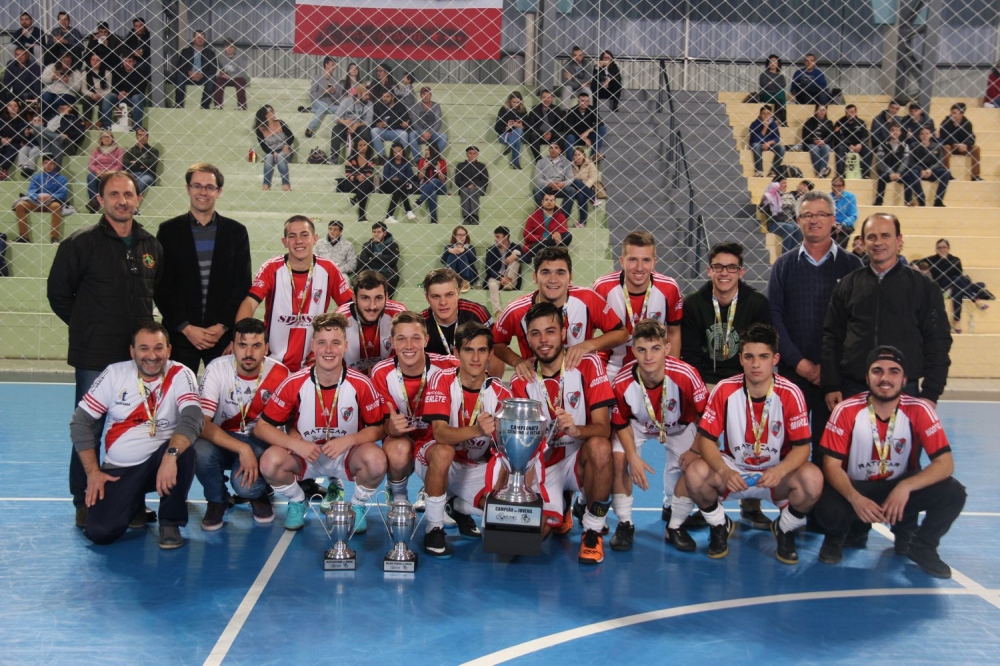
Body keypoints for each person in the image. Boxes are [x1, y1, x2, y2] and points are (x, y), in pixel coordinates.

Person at [47, 170, 161, 526]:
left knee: (137, 426)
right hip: (94, 356)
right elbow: (58, 295)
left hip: (138, 359)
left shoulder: (150, 246)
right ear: (100, 200)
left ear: (138, 199)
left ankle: (133, 502)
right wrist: (88, 327)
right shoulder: (80, 243)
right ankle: (84, 499)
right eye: (114, 194)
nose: (122, 201)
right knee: (91, 427)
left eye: (128, 194)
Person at [668, 324, 822, 563]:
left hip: (775, 472)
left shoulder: (791, 393)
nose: (756, 364)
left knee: (813, 479)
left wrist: (780, 470)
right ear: (740, 359)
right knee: (695, 472)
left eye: (763, 357)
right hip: (734, 469)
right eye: (749, 357)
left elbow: (803, 448)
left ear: (776, 359)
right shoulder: (725, 389)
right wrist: (724, 470)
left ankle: (785, 528)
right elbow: (707, 440)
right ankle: (719, 525)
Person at [815, 346, 966, 578]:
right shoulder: (846, 409)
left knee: (954, 492)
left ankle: (922, 545)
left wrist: (905, 487)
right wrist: (856, 499)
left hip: (898, 489)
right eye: (877, 371)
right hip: (858, 487)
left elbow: (945, 463)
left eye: (893, 371)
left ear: (905, 379)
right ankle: (837, 536)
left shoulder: (920, 409)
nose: (885, 378)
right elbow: (831, 466)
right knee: (825, 503)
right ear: (867, 377)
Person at [70, 322, 202, 548]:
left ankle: (170, 522)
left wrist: (170, 456)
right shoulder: (115, 373)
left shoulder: (181, 373)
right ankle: (134, 504)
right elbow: (80, 422)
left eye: (159, 348)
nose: (152, 355)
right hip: (119, 469)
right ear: (132, 352)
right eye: (144, 348)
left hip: (161, 463)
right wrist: (93, 472)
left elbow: (193, 417)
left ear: (168, 350)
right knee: (100, 532)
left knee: (185, 451)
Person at [255, 312, 389, 532]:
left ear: (345, 346)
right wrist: (294, 443)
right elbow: (262, 427)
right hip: (306, 454)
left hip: (347, 454)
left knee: (376, 460)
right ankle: (298, 500)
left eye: (335, 343)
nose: (329, 350)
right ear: (312, 346)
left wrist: (349, 440)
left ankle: (356, 506)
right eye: (322, 343)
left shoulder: (361, 383)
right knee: (270, 462)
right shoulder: (294, 382)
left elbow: (379, 428)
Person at [508, 303, 615, 563]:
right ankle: (561, 505)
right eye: (535, 333)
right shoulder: (521, 379)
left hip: (579, 458)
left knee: (601, 447)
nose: (543, 340)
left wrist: (577, 429)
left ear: (563, 332)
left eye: (550, 331)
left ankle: (592, 530)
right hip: (546, 465)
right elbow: (520, 447)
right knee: (522, 544)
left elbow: (603, 428)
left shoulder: (588, 364)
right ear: (528, 338)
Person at [680, 241, 773, 529]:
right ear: (709, 270)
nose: (724, 273)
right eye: (718, 267)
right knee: (705, 441)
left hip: (745, 382)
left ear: (741, 271)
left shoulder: (757, 304)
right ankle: (707, 499)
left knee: (750, 435)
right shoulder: (695, 303)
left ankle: (751, 500)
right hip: (706, 382)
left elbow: (762, 349)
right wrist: (706, 391)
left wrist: (737, 388)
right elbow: (692, 356)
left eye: (731, 267)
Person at [768, 190, 863, 461]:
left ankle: (828, 503)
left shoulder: (851, 265)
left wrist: (829, 367)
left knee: (830, 455)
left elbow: (856, 323)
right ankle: (789, 505)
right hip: (792, 374)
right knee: (786, 452)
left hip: (835, 377)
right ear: (797, 221)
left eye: (821, 214)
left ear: (833, 219)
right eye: (807, 215)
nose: (814, 220)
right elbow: (774, 317)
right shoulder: (783, 266)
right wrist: (799, 363)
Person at [821, 212, 952, 409]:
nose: (878, 242)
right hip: (854, 389)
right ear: (863, 242)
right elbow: (832, 338)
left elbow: (938, 342)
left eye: (885, 235)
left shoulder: (924, 288)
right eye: (871, 237)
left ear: (899, 240)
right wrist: (831, 384)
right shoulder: (847, 286)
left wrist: (931, 393)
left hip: (906, 392)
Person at [610, 319, 708, 551]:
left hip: (679, 426)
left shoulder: (686, 374)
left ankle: (674, 524)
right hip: (637, 425)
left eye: (655, 349)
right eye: (641, 350)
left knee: (694, 466)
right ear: (633, 350)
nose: (648, 357)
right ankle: (624, 523)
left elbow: (707, 417)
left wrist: (694, 449)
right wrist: (632, 456)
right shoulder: (622, 381)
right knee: (618, 459)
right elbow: (620, 422)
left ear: (667, 348)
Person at [419, 321, 512, 557]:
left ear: (491, 353)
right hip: (436, 461)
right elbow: (440, 433)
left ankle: (457, 505)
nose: (475, 358)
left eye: (482, 350)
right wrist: (478, 430)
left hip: (473, 465)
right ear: (456, 352)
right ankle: (434, 527)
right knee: (444, 452)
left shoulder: (502, 392)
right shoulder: (442, 379)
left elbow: (504, 449)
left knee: (504, 511)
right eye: (468, 350)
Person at [155, 163, 252, 374]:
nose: (203, 192)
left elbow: (242, 284)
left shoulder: (237, 232)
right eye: (197, 186)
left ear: (219, 192)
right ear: (188, 188)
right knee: (175, 401)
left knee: (225, 403)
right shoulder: (168, 231)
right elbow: (162, 287)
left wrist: (223, 327)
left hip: (222, 337)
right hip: (180, 335)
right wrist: (187, 328)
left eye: (209, 187)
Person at [194, 318, 289, 529]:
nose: (248, 353)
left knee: (245, 487)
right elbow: (203, 424)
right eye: (242, 345)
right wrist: (241, 448)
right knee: (198, 450)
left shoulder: (281, 373)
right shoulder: (217, 368)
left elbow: (290, 422)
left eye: (256, 346)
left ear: (266, 348)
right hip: (223, 438)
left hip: (260, 440)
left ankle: (258, 494)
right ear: (232, 346)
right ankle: (217, 499)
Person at [236, 216, 354, 372]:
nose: (299, 241)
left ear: (315, 239)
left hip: (313, 364)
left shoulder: (328, 269)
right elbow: (250, 303)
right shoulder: (271, 268)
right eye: (292, 236)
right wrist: (239, 339)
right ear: (284, 242)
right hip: (272, 362)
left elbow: (350, 307)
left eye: (305, 235)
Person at [493, 246, 627, 381]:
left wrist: (588, 345)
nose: (553, 279)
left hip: (583, 382)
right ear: (534, 277)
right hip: (537, 384)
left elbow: (622, 333)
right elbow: (496, 343)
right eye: (545, 272)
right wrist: (517, 361)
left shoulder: (588, 299)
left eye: (560, 273)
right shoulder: (515, 310)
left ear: (570, 277)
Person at [370, 311, 459, 510]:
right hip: (403, 438)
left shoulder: (449, 367)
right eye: (401, 339)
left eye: (416, 338)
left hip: (435, 437)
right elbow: (382, 425)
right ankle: (399, 497)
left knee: (449, 448)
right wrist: (390, 428)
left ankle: (436, 492)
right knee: (397, 450)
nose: (409, 346)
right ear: (392, 342)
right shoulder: (381, 372)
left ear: (426, 340)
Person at [592, 231, 684, 380]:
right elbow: (588, 334)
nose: (639, 267)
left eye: (646, 260)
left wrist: (672, 374)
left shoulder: (669, 288)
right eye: (633, 259)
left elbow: (674, 333)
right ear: (621, 261)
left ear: (654, 261)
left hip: (655, 369)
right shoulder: (603, 287)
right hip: (612, 368)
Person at [336, 269, 406, 376]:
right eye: (365, 298)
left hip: (389, 381)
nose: (372, 306)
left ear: (386, 297)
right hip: (352, 383)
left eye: (378, 298)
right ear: (354, 298)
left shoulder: (398, 314)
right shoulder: (341, 319)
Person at [923, 239, 993, 334]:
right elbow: (915, 263)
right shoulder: (931, 260)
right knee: (957, 281)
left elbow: (960, 275)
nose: (942, 249)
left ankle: (957, 322)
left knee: (957, 287)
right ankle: (976, 300)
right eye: (939, 247)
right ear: (936, 249)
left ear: (948, 248)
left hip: (955, 287)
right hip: (942, 288)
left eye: (944, 247)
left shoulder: (955, 260)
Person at [420, 267, 494, 358]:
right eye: (436, 296)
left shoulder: (476, 313)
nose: (443, 302)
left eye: (449, 295)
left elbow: (495, 358)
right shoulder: (420, 323)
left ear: (458, 293)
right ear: (427, 297)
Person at [14, 153, 69, 243]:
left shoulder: (62, 178)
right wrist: (38, 196)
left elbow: (63, 194)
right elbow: (30, 192)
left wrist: (50, 196)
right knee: (20, 205)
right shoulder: (37, 177)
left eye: (51, 163)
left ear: (55, 165)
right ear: (42, 164)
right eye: (46, 163)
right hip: (36, 202)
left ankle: (54, 238)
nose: (48, 166)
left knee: (56, 206)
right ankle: (24, 237)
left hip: (50, 203)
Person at [902, 127, 952, 207]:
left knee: (946, 172)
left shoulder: (937, 146)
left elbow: (940, 162)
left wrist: (931, 170)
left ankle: (938, 201)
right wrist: (921, 169)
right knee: (912, 171)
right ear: (919, 135)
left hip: (932, 172)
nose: (924, 136)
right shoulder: (913, 146)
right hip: (918, 172)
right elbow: (910, 162)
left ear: (931, 135)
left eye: (927, 133)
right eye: (922, 134)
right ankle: (921, 198)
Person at [100, 53, 148, 130]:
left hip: (133, 97)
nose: (127, 63)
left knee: (137, 97)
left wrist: (127, 94)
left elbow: (141, 89)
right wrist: (119, 93)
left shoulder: (140, 73)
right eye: (125, 61)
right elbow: (114, 86)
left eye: (130, 61)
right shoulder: (117, 71)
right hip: (119, 96)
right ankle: (107, 126)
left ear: (134, 62)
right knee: (109, 97)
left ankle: (137, 127)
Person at [172, 30, 217, 110]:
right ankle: (178, 104)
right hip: (189, 76)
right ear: (193, 39)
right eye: (198, 37)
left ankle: (204, 106)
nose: (200, 39)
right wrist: (189, 72)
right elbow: (180, 66)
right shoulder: (186, 51)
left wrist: (202, 74)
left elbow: (213, 69)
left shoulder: (210, 53)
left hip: (203, 77)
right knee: (179, 75)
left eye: (202, 38)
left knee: (212, 78)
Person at [254, 105, 294, 192]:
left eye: (272, 111)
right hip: (271, 152)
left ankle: (286, 185)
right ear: (264, 115)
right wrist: (273, 152)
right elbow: (263, 146)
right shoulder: (260, 129)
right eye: (269, 112)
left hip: (285, 150)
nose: (272, 113)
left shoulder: (280, 122)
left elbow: (291, 136)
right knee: (268, 157)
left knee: (280, 156)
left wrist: (286, 146)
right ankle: (266, 185)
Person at [485, 226, 523, 316]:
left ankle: (508, 283)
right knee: (492, 284)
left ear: (506, 237)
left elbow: (528, 259)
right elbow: (488, 268)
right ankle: (497, 311)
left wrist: (514, 257)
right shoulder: (491, 250)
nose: (495, 239)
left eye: (498, 237)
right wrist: (500, 278)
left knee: (516, 255)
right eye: (495, 237)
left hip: (511, 277)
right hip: (497, 277)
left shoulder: (515, 246)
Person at [357, 220, 401, 297]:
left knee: (393, 279)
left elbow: (393, 261)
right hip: (370, 272)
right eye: (374, 232)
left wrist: (374, 257)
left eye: (379, 232)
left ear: (384, 233)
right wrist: (383, 260)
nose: (376, 234)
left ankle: (387, 301)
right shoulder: (367, 245)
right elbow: (363, 261)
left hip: (387, 273)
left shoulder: (393, 245)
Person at [939, 103, 982, 182]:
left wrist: (965, 145)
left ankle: (975, 176)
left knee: (976, 148)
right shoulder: (946, 122)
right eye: (952, 113)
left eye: (955, 113)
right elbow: (944, 137)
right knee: (946, 147)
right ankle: (947, 174)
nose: (952, 115)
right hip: (952, 146)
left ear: (962, 114)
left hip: (963, 147)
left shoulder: (967, 123)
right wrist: (954, 144)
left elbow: (971, 137)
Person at [533, 141, 577, 219]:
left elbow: (570, 178)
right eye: (551, 148)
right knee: (536, 190)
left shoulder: (567, 162)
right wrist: (549, 184)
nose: (553, 150)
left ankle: (563, 217)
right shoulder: (541, 162)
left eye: (556, 147)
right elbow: (538, 178)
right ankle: (544, 214)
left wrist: (562, 184)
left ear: (560, 150)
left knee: (572, 190)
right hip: (547, 186)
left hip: (560, 187)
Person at [522, 192, 571, 260]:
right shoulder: (533, 216)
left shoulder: (560, 216)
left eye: (551, 200)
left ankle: (544, 248)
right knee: (537, 246)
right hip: (538, 242)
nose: (549, 202)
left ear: (555, 203)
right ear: (542, 202)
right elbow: (526, 235)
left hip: (552, 242)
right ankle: (544, 249)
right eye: (546, 200)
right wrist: (540, 238)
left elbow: (564, 229)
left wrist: (558, 232)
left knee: (568, 236)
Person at [760, 177, 802, 254]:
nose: (786, 185)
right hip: (774, 222)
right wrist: (766, 201)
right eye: (783, 183)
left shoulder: (789, 195)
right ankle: (785, 255)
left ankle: (793, 254)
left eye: (786, 183)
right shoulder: (769, 195)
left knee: (800, 230)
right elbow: (762, 210)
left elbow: (795, 211)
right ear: (776, 184)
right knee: (789, 228)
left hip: (789, 220)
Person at [304, 56, 343, 138]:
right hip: (318, 102)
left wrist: (333, 92)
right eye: (332, 65)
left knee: (340, 108)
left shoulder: (336, 80)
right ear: (326, 65)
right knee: (323, 106)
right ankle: (311, 128)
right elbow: (312, 95)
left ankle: (314, 110)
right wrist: (323, 92)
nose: (334, 67)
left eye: (335, 65)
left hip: (329, 105)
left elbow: (339, 99)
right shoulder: (317, 78)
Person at [84, 131, 124, 211]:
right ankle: (94, 203)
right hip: (98, 172)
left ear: (112, 138)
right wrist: (98, 171)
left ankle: (100, 204)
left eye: (108, 137)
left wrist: (108, 172)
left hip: (112, 172)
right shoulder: (96, 150)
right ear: (101, 139)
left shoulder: (118, 150)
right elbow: (91, 164)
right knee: (91, 177)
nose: (106, 139)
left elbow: (119, 165)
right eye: (104, 137)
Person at [339, 137, 376, 221]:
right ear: (356, 147)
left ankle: (356, 199)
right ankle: (361, 216)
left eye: (364, 145)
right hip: (351, 183)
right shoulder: (350, 158)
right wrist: (357, 177)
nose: (363, 147)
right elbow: (348, 175)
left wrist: (362, 177)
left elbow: (369, 174)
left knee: (366, 184)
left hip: (364, 183)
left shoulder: (371, 160)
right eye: (360, 145)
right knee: (365, 188)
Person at [563, 92, 606, 162]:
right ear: (578, 101)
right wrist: (583, 137)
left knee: (602, 129)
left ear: (588, 102)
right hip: (576, 136)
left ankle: (593, 156)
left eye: (586, 101)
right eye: (581, 101)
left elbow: (600, 122)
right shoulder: (572, 110)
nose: (583, 103)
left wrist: (588, 131)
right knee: (569, 137)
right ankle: (571, 161)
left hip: (588, 136)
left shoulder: (592, 109)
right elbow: (569, 128)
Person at [873, 123, 908, 206]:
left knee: (909, 176)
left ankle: (908, 201)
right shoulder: (883, 145)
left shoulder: (905, 145)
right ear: (889, 132)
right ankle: (879, 201)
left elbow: (906, 161)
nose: (895, 132)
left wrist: (899, 172)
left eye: (897, 130)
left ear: (900, 132)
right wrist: (890, 172)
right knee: (881, 177)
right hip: (887, 172)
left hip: (900, 173)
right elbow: (880, 162)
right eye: (892, 130)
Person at [381, 142, 416, 223]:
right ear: (392, 153)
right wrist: (393, 179)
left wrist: (401, 181)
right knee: (399, 184)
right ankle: (408, 211)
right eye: (395, 152)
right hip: (389, 185)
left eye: (400, 151)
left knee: (400, 185)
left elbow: (410, 178)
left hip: (402, 186)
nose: (398, 153)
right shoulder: (388, 162)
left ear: (403, 151)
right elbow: (385, 177)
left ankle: (389, 216)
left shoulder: (406, 163)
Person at [369, 88, 411, 157]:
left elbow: (407, 120)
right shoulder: (378, 106)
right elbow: (373, 121)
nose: (385, 99)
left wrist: (406, 125)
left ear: (393, 97)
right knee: (374, 131)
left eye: (387, 96)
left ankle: (402, 157)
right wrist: (377, 124)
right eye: (383, 97)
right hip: (383, 131)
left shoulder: (400, 106)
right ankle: (382, 156)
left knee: (404, 134)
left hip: (396, 131)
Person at [454, 145, 489, 226]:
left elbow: (485, 180)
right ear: (467, 154)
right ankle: (466, 217)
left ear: (477, 154)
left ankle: (474, 216)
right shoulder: (460, 165)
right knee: (465, 191)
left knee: (473, 191)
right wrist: (467, 185)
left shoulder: (481, 166)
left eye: (474, 153)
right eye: (470, 153)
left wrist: (474, 184)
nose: (472, 155)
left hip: (478, 188)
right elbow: (458, 180)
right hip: (465, 187)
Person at [525, 89, 564, 161]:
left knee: (561, 135)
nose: (546, 100)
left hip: (553, 136)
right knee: (532, 135)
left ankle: (560, 160)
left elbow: (560, 126)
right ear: (540, 98)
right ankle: (538, 160)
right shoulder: (534, 109)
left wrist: (551, 133)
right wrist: (543, 133)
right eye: (544, 97)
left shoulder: (556, 109)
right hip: (539, 136)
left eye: (548, 97)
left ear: (552, 98)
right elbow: (531, 126)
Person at [834, 104, 872, 179]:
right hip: (845, 145)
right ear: (845, 113)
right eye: (848, 112)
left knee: (869, 150)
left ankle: (865, 174)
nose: (851, 114)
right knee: (840, 149)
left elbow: (865, 136)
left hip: (858, 146)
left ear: (855, 112)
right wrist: (849, 145)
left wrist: (860, 144)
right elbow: (837, 137)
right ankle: (841, 175)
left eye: (852, 112)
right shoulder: (839, 123)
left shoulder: (861, 122)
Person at [409, 86, 447, 156]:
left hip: (432, 133)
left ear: (431, 95)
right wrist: (423, 132)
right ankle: (418, 159)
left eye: (428, 94)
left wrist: (429, 133)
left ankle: (435, 158)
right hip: (420, 133)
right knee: (412, 135)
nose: (426, 96)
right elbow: (414, 122)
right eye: (424, 94)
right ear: (420, 96)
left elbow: (439, 122)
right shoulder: (415, 106)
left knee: (443, 137)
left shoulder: (436, 106)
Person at [40, 54, 81, 119]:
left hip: (67, 93)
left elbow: (77, 88)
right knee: (45, 99)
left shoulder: (76, 72)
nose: (66, 63)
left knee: (58, 101)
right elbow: (43, 79)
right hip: (49, 90)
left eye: (68, 61)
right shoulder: (52, 66)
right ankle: (46, 121)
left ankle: (55, 121)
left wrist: (68, 82)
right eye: (64, 60)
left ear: (72, 62)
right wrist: (52, 78)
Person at [416, 143, 448, 225]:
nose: (426, 151)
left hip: (440, 187)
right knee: (432, 193)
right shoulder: (422, 161)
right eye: (425, 150)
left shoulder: (441, 161)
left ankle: (420, 200)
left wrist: (438, 169)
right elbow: (419, 178)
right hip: (425, 186)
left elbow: (443, 180)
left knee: (434, 180)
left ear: (434, 151)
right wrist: (424, 168)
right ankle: (434, 220)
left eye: (428, 150)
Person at [748, 105, 785, 177]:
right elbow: (756, 140)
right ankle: (759, 171)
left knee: (782, 148)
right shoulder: (754, 124)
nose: (766, 116)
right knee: (756, 146)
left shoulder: (773, 124)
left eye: (768, 113)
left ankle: (773, 171)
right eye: (764, 113)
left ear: (771, 115)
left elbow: (777, 138)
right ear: (760, 114)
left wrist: (769, 143)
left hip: (769, 144)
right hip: (757, 144)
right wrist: (765, 127)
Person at [213, 39, 249, 110]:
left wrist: (230, 76)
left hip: (238, 77)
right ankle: (218, 105)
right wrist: (222, 74)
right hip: (226, 78)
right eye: (227, 47)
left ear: (234, 48)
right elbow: (221, 70)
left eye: (231, 47)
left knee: (240, 82)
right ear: (224, 48)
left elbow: (242, 73)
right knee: (219, 81)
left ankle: (242, 106)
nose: (229, 49)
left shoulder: (241, 57)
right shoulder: (221, 58)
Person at [79, 53, 112, 127]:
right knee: (87, 99)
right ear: (90, 61)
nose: (95, 62)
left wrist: (101, 95)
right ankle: (87, 122)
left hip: (103, 95)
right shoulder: (85, 73)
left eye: (98, 60)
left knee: (104, 101)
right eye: (93, 60)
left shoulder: (107, 73)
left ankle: (100, 123)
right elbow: (83, 90)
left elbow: (109, 89)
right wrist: (92, 94)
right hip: (90, 94)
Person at [494, 92, 526, 169]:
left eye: (518, 102)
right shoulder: (503, 109)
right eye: (513, 102)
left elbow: (528, 126)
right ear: (509, 101)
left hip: (518, 134)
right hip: (504, 135)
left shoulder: (523, 111)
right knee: (517, 140)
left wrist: (521, 126)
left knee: (518, 131)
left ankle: (510, 146)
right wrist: (506, 127)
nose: (515, 104)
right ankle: (515, 162)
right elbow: (497, 127)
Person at [802, 104, 835, 177]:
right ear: (816, 111)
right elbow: (805, 136)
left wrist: (824, 141)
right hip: (812, 143)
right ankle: (821, 172)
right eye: (820, 110)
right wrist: (814, 141)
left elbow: (831, 136)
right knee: (815, 149)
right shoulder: (809, 122)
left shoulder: (829, 123)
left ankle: (821, 171)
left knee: (826, 148)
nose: (822, 112)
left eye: (823, 110)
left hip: (824, 143)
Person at [123, 127, 159, 194]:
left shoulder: (153, 151)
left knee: (142, 181)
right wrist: (142, 164)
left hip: (148, 175)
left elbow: (152, 164)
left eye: (145, 135)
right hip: (133, 174)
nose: (143, 137)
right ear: (136, 136)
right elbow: (126, 165)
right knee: (125, 180)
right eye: (140, 135)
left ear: (148, 137)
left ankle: (133, 200)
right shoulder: (130, 151)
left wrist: (136, 162)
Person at [570, 146, 599, 228]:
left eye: (579, 154)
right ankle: (593, 199)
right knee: (576, 181)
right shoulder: (570, 165)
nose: (577, 157)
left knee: (581, 195)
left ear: (583, 155)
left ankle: (582, 222)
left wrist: (583, 188)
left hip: (587, 187)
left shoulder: (590, 164)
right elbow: (568, 178)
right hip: (574, 187)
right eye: (575, 155)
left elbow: (593, 177)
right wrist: (579, 188)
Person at [0, 100, 28, 181]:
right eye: (10, 105)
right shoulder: (1, 119)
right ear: (7, 108)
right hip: (1, 141)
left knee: (12, 148)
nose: (12, 107)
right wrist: (1, 139)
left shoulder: (23, 121)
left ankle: (2, 168)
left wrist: (11, 140)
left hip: (15, 142)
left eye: (15, 106)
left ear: (19, 108)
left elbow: (23, 134)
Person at [758, 55, 786, 125]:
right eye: (771, 62)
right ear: (768, 63)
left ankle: (779, 116)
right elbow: (764, 86)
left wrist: (771, 82)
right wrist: (776, 85)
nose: (773, 63)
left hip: (777, 95)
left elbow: (783, 86)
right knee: (780, 95)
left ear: (778, 64)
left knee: (781, 94)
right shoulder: (763, 75)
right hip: (766, 94)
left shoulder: (781, 76)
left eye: (775, 62)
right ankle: (783, 120)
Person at [830, 176, 857, 248]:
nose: (836, 188)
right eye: (834, 185)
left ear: (844, 186)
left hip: (845, 224)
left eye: (839, 185)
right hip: (832, 224)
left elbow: (853, 215)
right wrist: (833, 223)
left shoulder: (850, 197)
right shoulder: (828, 197)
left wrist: (842, 224)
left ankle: (839, 251)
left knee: (843, 231)